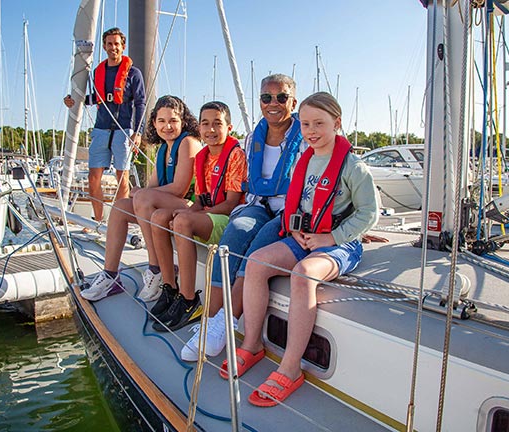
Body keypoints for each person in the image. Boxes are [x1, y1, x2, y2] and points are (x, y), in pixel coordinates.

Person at [222, 92, 379, 407]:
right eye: (305, 124)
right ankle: (252, 345)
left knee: (303, 273)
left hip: (341, 243)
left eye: (319, 123)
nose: (311, 131)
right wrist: (295, 228)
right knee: (255, 262)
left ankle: (290, 368)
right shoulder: (306, 160)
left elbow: (369, 213)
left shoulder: (353, 166)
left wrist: (330, 238)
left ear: (337, 123)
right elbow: (300, 203)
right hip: (304, 236)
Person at [179, 74, 304, 361]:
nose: (273, 103)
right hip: (259, 204)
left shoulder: (306, 136)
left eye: (281, 97)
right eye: (266, 97)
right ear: (259, 101)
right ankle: (209, 322)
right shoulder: (252, 139)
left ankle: (225, 323)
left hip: (288, 210)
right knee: (233, 233)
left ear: (292, 101)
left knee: (258, 245)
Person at [81, 95, 200, 301]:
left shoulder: (188, 143)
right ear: (154, 123)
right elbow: (153, 186)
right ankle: (110, 275)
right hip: (168, 203)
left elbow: (180, 188)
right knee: (120, 207)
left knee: (143, 197)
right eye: (161, 121)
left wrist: (142, 194)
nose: (167, 126)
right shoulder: (164, 148)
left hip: (189, 205)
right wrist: (139, 192)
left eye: (173, 120)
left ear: (183, 121)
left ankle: (156, 268)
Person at [150, 101, 247, 332]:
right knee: (160, 217)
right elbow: (202, 199)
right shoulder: (203, 156)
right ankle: (170, 288)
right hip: (209, 214)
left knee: (182, 220)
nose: (211, 130)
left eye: (217, 124)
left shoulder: (235, 155)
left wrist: (190, 216)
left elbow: (231, 203)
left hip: (229, 219)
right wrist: (187, 211)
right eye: (205, 124)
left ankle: (189, 300)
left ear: (229, 127)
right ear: (199, 127)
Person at [63, 27, 146, 224]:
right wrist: (74, 100)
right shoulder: (98, 72)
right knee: (93, 178)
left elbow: (140, 102)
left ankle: (118, 223)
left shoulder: (133, 74)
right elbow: (94, 98)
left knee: (122, 180)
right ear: (104, 46)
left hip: (123, 129)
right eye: (109, 44)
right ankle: (97, 221)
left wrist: (138, 132)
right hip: (101, 129)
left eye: (116, 44)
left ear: (122, 46)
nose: (113, 48)